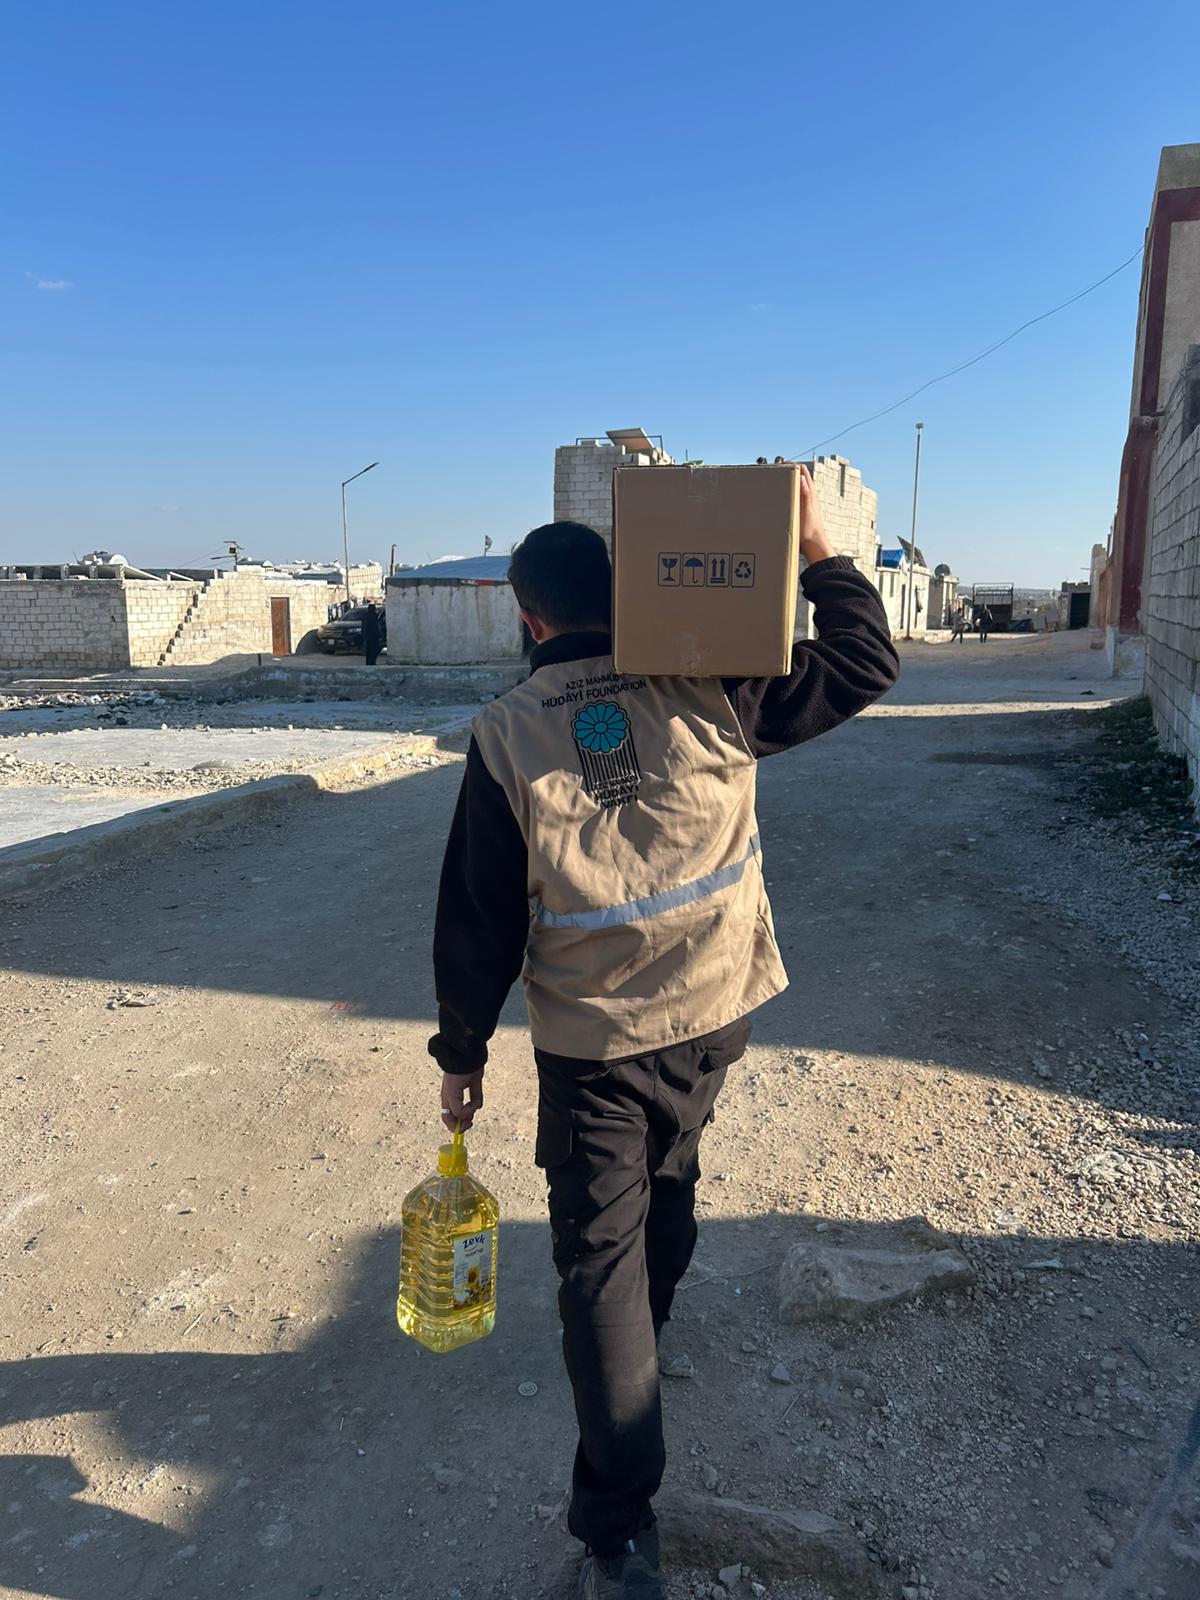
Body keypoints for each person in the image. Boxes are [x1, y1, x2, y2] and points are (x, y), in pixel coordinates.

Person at [429, 470, 899, 1600]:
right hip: (718, 1012)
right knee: (672, 1170)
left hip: (593, 1048)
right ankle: (652, 1332)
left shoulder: (506, 735)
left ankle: (618, 1530)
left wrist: (461, 1055)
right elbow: (866, 661)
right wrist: (818, 547)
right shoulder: (712, 685)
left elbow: (477, 920)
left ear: (525, 614)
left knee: (600, 1263)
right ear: (625, 591)